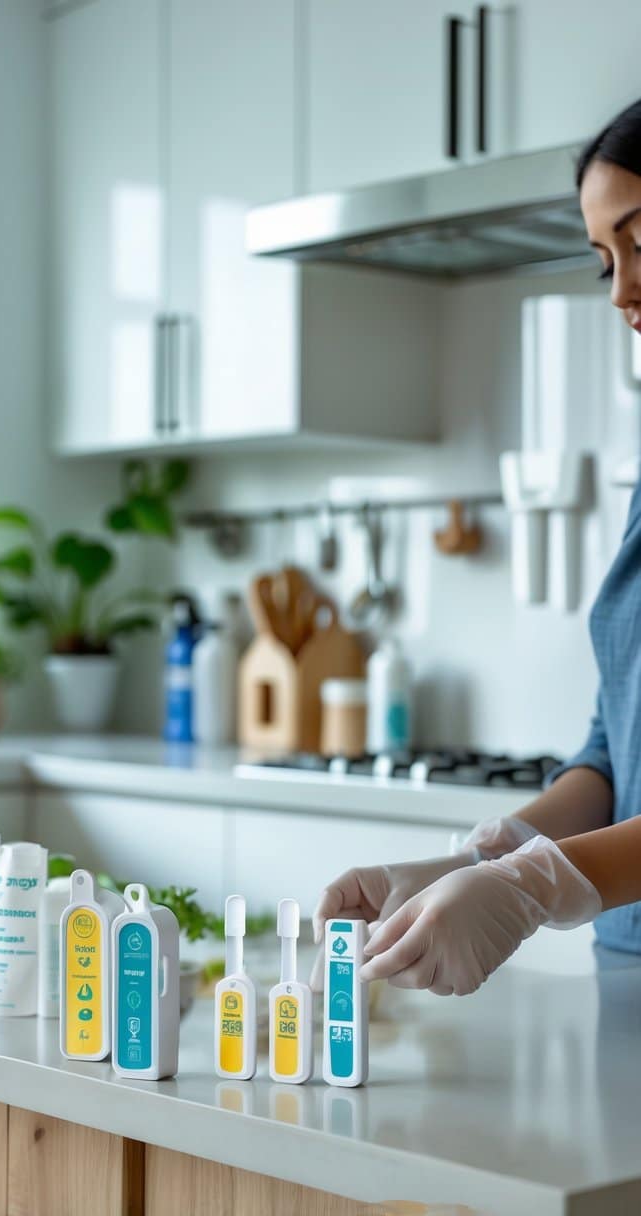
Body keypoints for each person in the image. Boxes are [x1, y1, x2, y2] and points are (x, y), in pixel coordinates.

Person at [313, 98, 641, 998]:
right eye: (602, 259)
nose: (619, 292)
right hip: (626, 962)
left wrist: (534, 887)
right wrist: (486, 854)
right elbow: (615, 755)